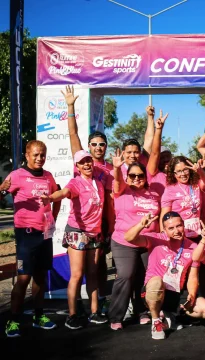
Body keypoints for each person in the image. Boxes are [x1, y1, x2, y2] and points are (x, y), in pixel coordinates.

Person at [61, 85, 114, 312]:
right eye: (94, 144)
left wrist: (112, 226)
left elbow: (113, 199)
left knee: (99, 268)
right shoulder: (82, 162)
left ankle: (98, 304)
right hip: (81, 226)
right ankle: (76, 311)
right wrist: (70, 107)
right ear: (89, 147)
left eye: (102, 144)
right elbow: (73, 135)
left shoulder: (111, 169)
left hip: (101, 225)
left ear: (106, 147)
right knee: (80, 271)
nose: (98, 147)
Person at [42, 150, 108, 329]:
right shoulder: (76, 182)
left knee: (93, 273)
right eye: (82, 162)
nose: (87, 164)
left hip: (95, 233)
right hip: (77, 231)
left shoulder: (99, 183)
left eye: (88, 161)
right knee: (77, 274)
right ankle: (72, 315)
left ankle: (94, 312)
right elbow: (64, 193)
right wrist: (50, 198)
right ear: (77, 167)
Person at [123, 212, 205, 340]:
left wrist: (192, 296)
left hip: (176, 292)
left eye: (179, 226)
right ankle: (156, 322)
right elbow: (128, 238)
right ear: (164, 230)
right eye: (171, 228)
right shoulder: (156, 239)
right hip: (153, 291)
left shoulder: (193, 247)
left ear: (184, 225)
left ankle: (171, 316)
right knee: (156, 282)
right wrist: (141, 225)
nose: (176, 231)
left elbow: (193, 277)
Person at [3, 140, 60, 337]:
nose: (39, 158)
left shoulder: (48, 176)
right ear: (27, 156)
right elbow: (2, 194)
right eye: (35, 155)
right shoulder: (17, 175)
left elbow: (56, 196)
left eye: (42, 155)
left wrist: (53, 218)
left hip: (44, 233)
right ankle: (13, 320)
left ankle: (38, 316)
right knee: (23, 278)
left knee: (40, 277)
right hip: (25, 234)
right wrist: (2, 189)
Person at [108, 151, 160, 330]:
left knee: (144, 278)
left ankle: (142, 311)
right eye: (133, 176)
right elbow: (117, 181)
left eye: (140, 175)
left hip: (147, 242)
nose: (137, 178)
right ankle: (116, 316)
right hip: (125, 242)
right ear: (127, 178)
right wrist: (116, 168)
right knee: (125, 275)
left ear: (145, 177)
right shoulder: (122, 190)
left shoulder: (153, 194)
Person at [160, 156, 205, 237]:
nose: (182, 174)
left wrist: (200, 171)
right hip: (179, 234)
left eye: (185, 170)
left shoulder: (196, 184)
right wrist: (164, 236)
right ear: (174, 174)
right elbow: (164, 216)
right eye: (178, 171)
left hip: (198, 233)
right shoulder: (170, 190)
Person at [146, 109, 172, 196]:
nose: (165, 160)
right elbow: (154, 153)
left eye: (167, 156)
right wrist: (159, 129)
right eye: (162, 157)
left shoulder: (178, 176)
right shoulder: (152, 173)